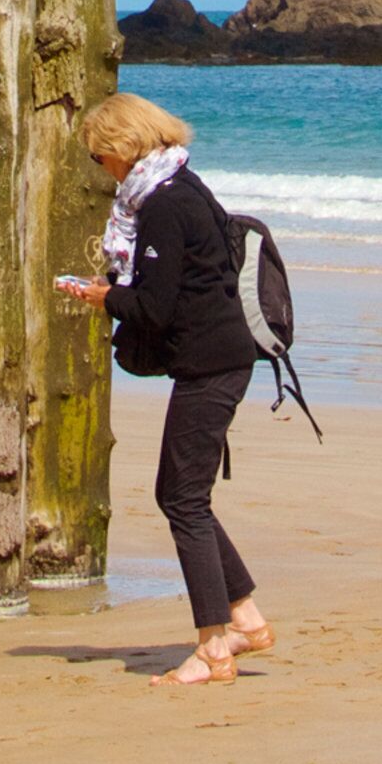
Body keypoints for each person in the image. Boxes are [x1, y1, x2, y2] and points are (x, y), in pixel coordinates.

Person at [59, 91, 277, 685]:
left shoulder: (164, 204)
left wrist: (103, 297)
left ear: (123, 148)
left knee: (182, 498)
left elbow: (154, 308)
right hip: (220, 356)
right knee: (181, 493)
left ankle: (213, 645)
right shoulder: (188, 183)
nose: (100, 168)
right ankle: (245, 618)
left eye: (101, 156)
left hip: (212, 362)